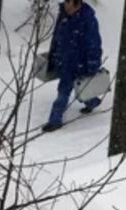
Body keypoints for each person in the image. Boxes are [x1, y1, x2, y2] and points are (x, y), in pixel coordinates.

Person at [43, 0, 102, 132]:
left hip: (80, 63)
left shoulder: (88, 20)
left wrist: (93, 63)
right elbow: (56, 37)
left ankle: (55, 120)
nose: (65, 5)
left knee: (70, 91)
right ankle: (91, 102)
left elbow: (94, 44)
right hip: (65, 62)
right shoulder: (63, 16)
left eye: (68, 3)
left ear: (76, 4)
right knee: (70, 89)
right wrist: (53, 55)